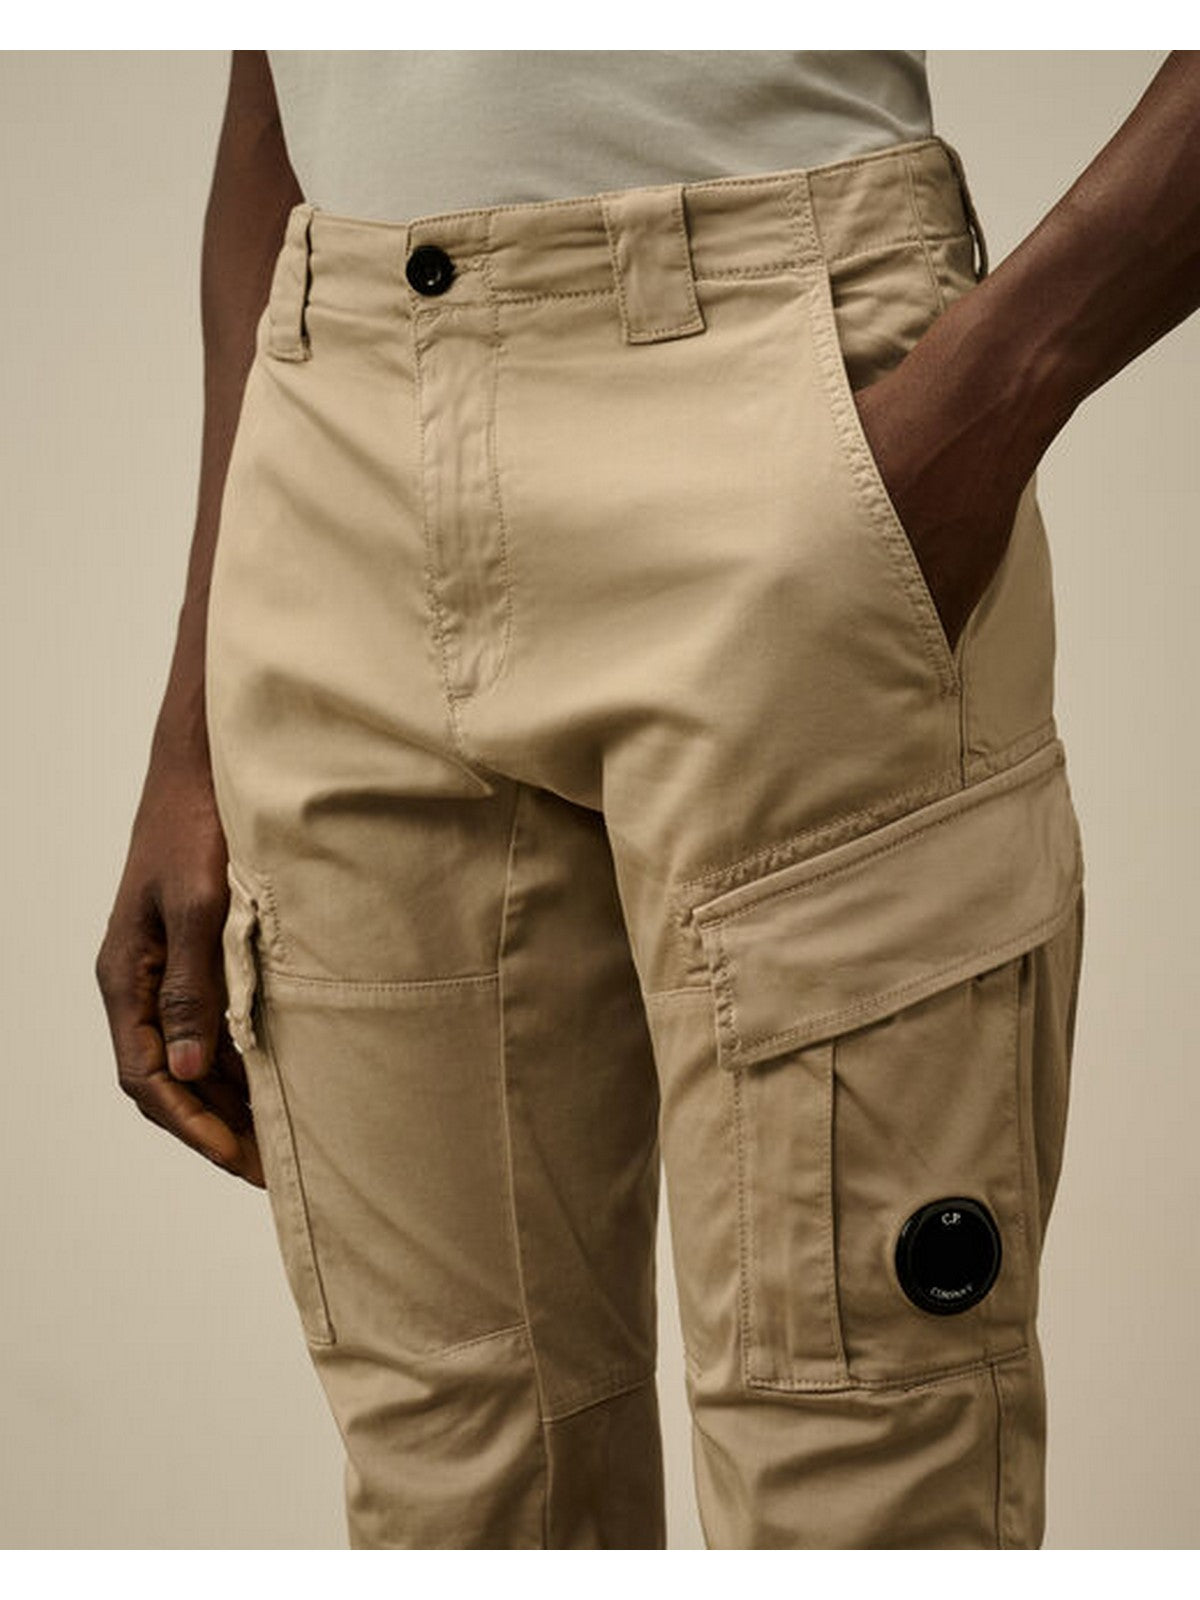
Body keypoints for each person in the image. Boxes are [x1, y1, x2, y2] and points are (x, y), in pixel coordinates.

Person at [94, 50, 1199, 1549]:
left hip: (779, 400)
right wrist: (192, 732)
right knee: (456, 1491)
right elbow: (269, 81)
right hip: (328, 455)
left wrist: (990, 397)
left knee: (856, 1471)